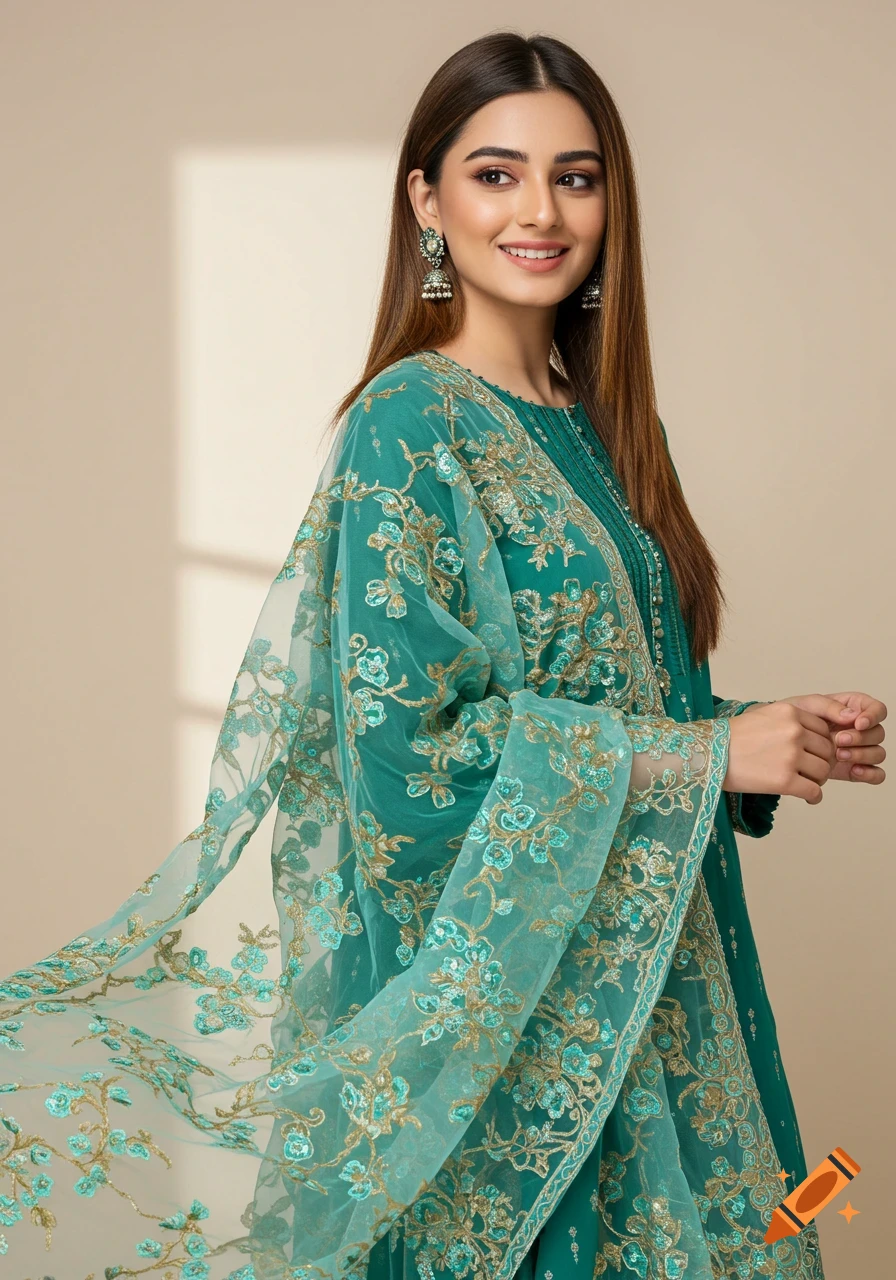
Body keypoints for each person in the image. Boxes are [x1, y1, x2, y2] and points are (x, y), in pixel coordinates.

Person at [0, 30, 886, 1280]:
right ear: (425, 199)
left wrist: (756, 735)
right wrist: (701, 751)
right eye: (494, 173)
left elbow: (619, 700)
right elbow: (408, 765)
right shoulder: (407, 425)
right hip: (517, 1026)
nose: (538, 210)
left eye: (574, 177)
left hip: (656, 991)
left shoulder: (614, 428)